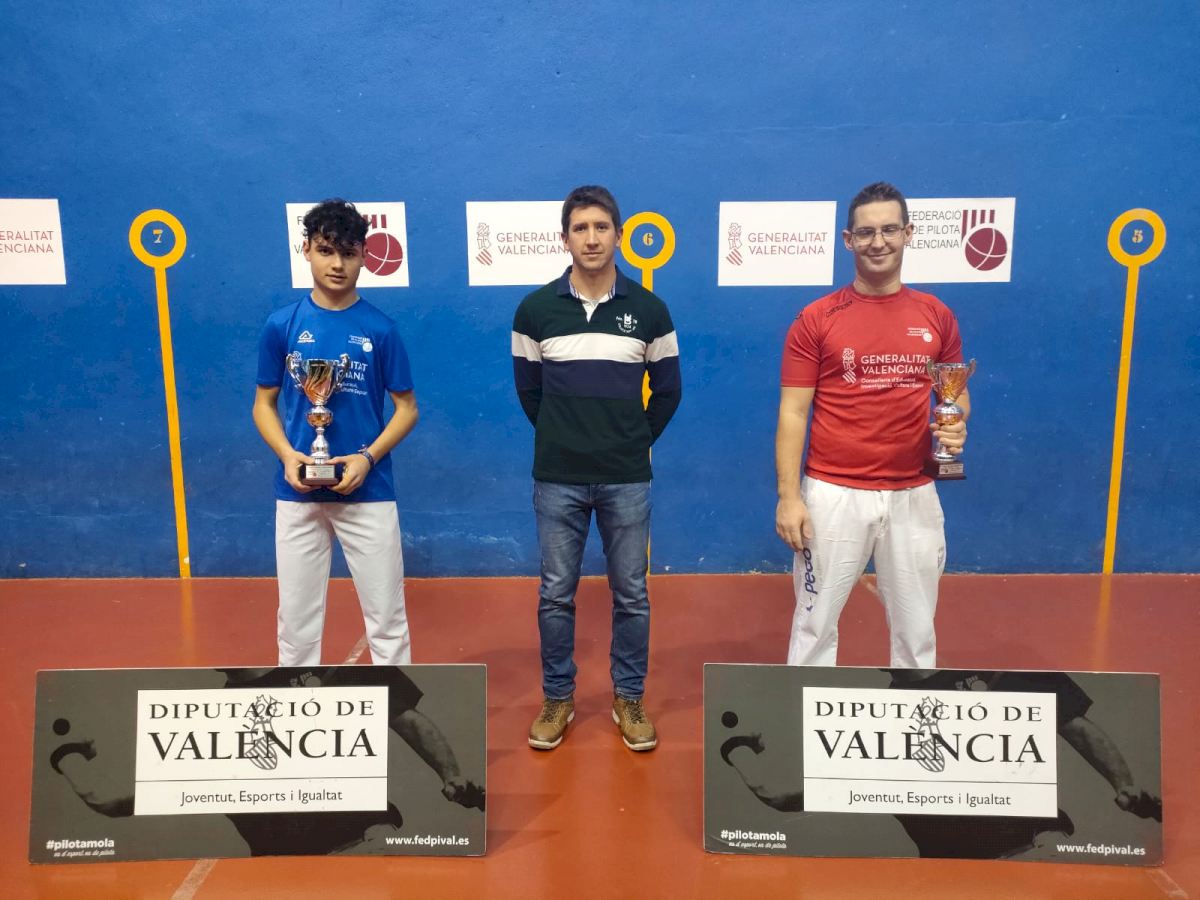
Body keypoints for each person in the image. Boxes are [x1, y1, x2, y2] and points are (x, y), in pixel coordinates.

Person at [511, 185, 681, 751]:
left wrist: (630, 441)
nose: (591, 238)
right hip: (557, 477)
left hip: (626, 479)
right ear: (565, 238)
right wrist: (566, 438)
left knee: (631, 594)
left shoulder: (650, 311)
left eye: (601, 227)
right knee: (555, 594)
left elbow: (669, 392)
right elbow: (530, 393)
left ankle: (628, 698)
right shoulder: (535, 311)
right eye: (580, 228)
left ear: (619, 235)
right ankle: (558, 698)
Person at [775, 181, 967, 668]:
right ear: (848, 240)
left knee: (917, 631)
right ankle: (802, 712)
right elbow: (793, 412)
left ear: (908, 233)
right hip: (833, 494)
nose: (877, 242)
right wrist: (789, 497)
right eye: (865, 233)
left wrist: (956, 421)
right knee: (814, 625)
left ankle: (916, 715)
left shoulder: (936, 315)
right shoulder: (816, 318)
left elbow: (954, 393)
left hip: (914, 493)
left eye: (888, 230)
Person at [719, 669, 1161, 859]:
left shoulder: (996, 673)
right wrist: (736, 749)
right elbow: (780, 796)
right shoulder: (873, 719)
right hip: (948, 872)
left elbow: (1073, 724)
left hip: (1034, 849)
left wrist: (1123, 783)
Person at [51, 666, 484, 856]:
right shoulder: (212, 723)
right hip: (279, 874)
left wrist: (451, 775)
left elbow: (404, 717)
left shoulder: (330, 667)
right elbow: (108, 800)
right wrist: (68, 754)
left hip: (363, 846)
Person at [253, 199, 418, 666]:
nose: (337, 264)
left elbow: (407, 409)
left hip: (369, 492)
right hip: (297, 492)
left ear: (364, 255)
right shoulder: (281, 325)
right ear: (306, 250)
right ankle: (297, 704)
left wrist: (366, 458)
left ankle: (395, 705)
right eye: (326, 251)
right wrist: (289, 455)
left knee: (387, 621)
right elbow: (263, 404)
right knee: (295, 624)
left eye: (348, 253)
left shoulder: (381, 330)